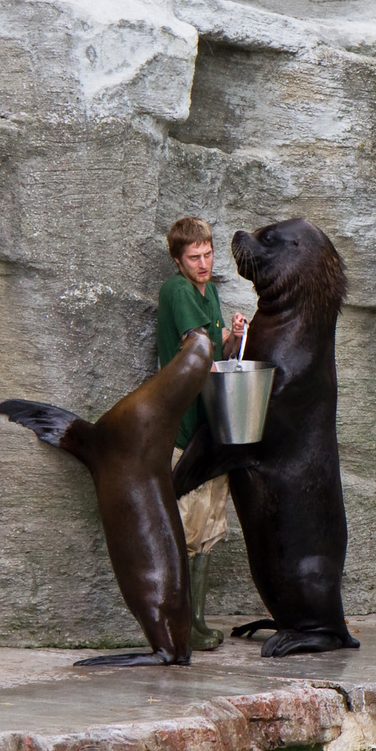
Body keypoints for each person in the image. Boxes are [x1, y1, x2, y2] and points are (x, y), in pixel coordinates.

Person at [156, 217, 245, 650]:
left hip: (212, 426)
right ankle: (182, 625)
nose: (204, 263)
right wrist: (218, 345)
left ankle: (198, 620)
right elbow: (197, 345)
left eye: (208, 254)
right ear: (178, 259)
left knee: (210, 526)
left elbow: (218, 346)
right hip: (185, 428)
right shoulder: (177, 291)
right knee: (188, 527)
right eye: (194, 257)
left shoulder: (210, 293)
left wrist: (235, 338)